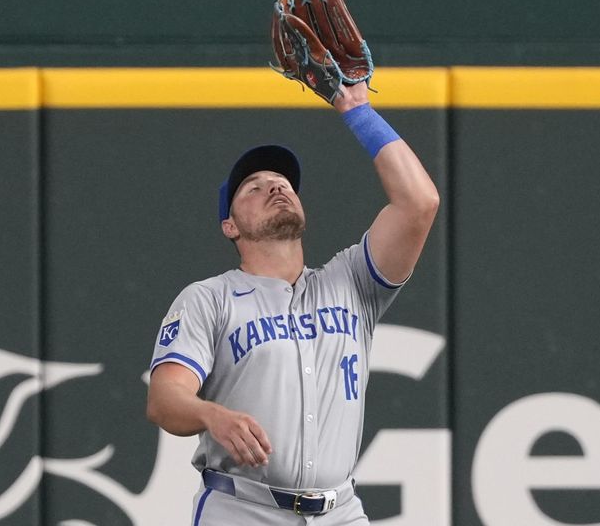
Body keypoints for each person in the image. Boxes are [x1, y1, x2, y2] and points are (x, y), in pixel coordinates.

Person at [146, 80, 439, 525]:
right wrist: (211, 414)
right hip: (242, 508)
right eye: (255, 188)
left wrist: (357, 109)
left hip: (341, 511)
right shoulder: (210, 298)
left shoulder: (352, 282)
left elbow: (420, 202)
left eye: (283, 183)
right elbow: (164, 399)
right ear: (230, 225)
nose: (275, 188)